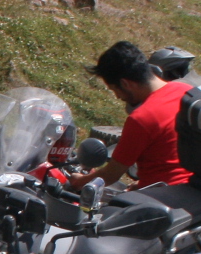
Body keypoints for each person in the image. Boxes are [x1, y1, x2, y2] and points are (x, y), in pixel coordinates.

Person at [71, 40, 193, 189]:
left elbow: (111, 175)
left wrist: (79, 182)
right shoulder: (185, 91)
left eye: (114, 89)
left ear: (125, 84)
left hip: (161, 198)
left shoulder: (142, 118)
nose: (117, 96)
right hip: (191, 189)